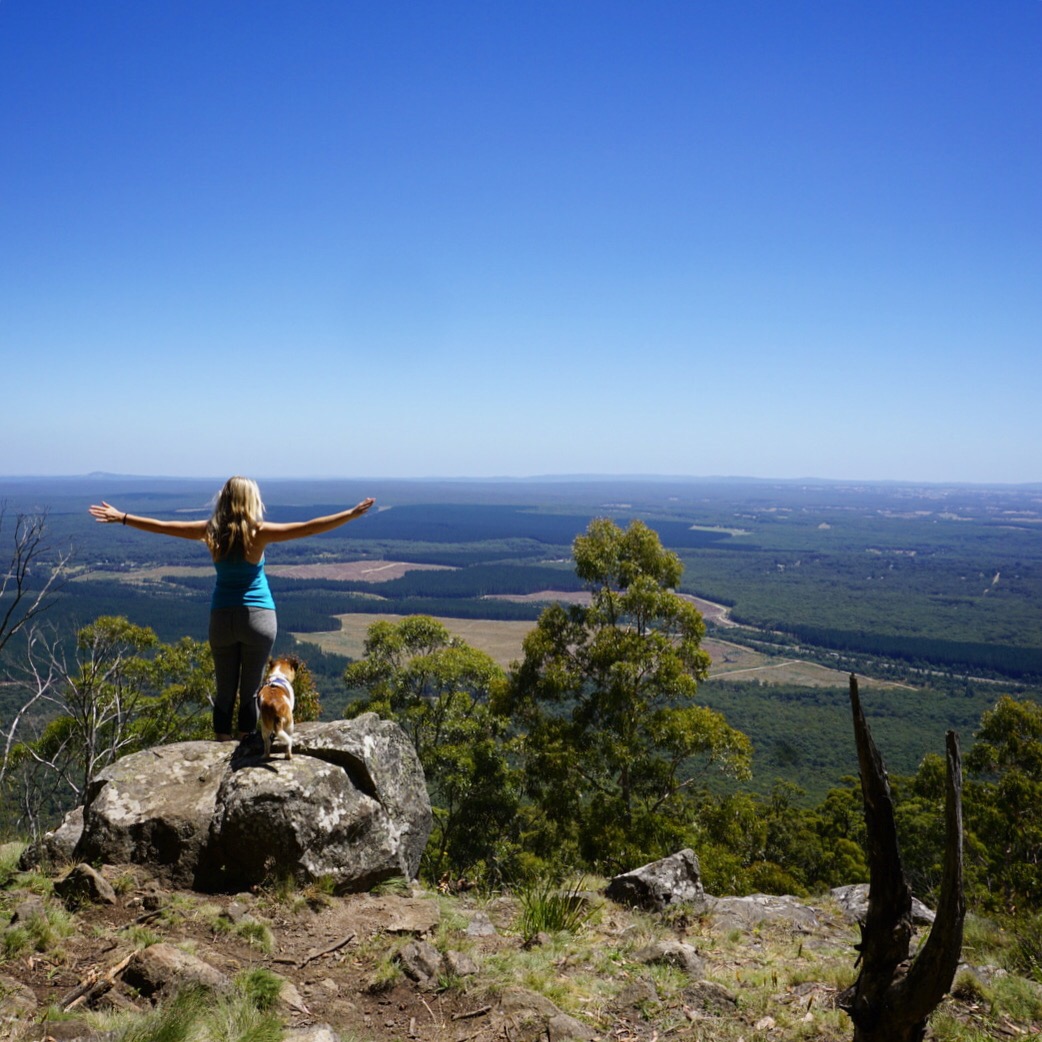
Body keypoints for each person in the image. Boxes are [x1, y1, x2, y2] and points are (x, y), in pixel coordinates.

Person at [89, 477, 375, 748]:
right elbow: (309, 527)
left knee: (225, 690)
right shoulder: (259, 532)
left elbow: (163, 526)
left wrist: (123, 517)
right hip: (259, 619)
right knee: (251, 691)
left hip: (222, 618)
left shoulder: (210, 531)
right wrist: (350, 514)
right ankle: (246, 745)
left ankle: (221, 745)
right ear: (252, 500)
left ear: (224, 500)